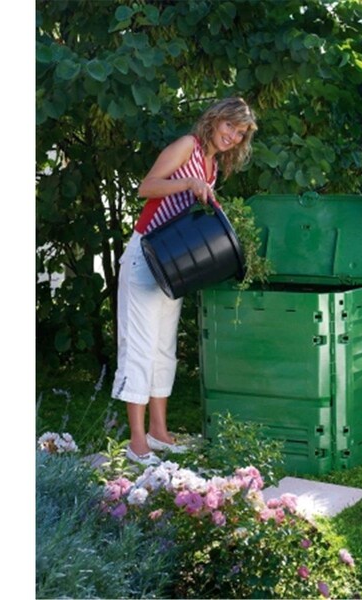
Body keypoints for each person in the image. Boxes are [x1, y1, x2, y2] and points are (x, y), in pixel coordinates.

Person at [111, 97, 258, 465]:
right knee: (140, 348)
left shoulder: (212, 166)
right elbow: (147, 187)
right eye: (230, 126)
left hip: (172, 263)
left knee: (164, 348)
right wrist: (189, 182)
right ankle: (137, 442)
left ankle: (159, 433)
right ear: (215, 119)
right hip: (145, 257)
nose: (232, 136)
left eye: (240, 133)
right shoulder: (187, 147)